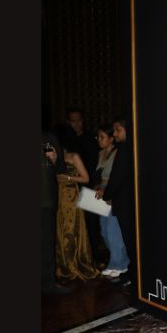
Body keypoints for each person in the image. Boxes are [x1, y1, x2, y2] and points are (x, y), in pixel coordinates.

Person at [55, 127, 100, 283]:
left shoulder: (74, 156)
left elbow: (86, 178)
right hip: (58, 197)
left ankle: (74, 265)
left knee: (71, 231)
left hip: (71, 196)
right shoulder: (54, 156)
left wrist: (68, 178)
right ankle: (63, 265)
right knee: (60, 231)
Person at [65, 106, 104, 266]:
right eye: (73, 121)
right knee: (73, 226)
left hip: (90, 187)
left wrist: (96, 184)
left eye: (79, 120)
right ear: (68, 122)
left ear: (83, 121)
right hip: (70, 190)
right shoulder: (65, 139)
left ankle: (94, 258)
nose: (76, 124)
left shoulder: (91, 139)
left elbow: (99, 164)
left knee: (92, 225)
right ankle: (76, 260)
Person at [92, 124, 130, 279]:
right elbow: (99, 175)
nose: (99, 140)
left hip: (112, 194)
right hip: (101, 193)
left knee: (113, 232)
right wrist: (97, 186)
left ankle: (119, 264)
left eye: (102, 137)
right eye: (98, 137)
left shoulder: (118, 152)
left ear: (111, 139)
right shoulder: (101, 153)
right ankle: (119, 262)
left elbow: (117, 178)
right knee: (104, 231)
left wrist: (108, 193)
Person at [101, 117, 135, 287]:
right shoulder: (133, 147)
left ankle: (133, 274)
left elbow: (117, 176)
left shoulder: (124, 149)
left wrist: (107, 194)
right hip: (131, 202)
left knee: (129, 239)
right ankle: (132, 272)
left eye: (118, 130)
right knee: (130, 239)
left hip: (124, 203)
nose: (114, 134)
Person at [41, 131, 70, 296]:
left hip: (45, 202)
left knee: (46, 244)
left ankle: (48, 283)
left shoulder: (49, 138)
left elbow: (61, 169)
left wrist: (55, 159)